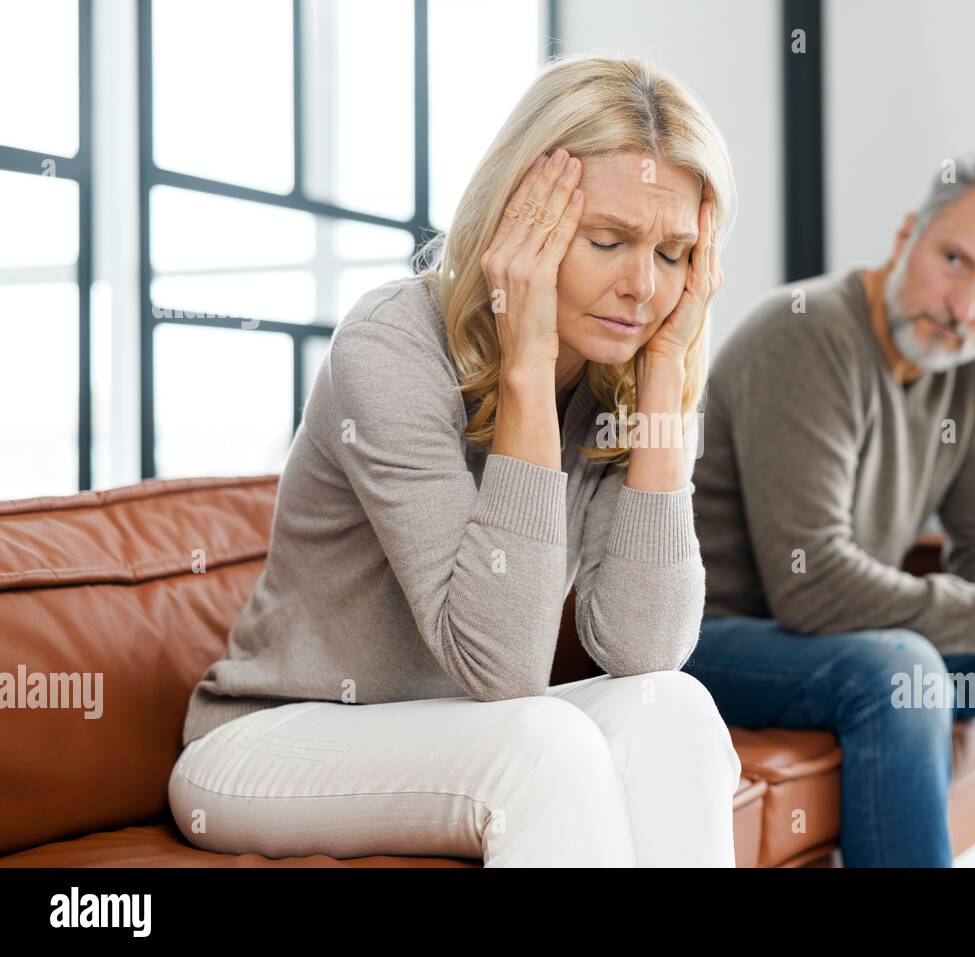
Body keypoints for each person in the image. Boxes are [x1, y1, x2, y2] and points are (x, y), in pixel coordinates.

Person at [168, 54, 742, 867]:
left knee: (673, 707)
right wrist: (526, 367)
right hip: (269, 739)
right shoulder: (391, 346)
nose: (643, 287)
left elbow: (643, 648)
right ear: (521, 223)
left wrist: (663, 380)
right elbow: (501, 666)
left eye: (675, 254)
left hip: (466, 731)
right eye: (608, 240)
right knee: (544, 742)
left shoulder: (624, 373)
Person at [684, 152, 975, 867]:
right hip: (717, 640)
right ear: (906, 237)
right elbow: (811, 586)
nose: (965, 307)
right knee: (902, 671)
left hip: (836, 640)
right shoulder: (806, 336)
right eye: (953, 260)